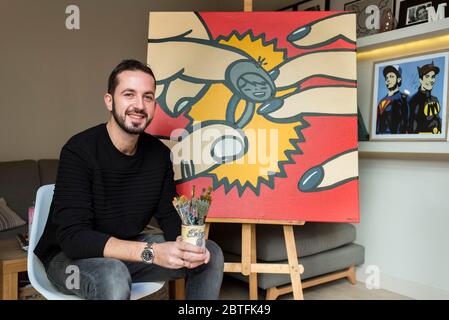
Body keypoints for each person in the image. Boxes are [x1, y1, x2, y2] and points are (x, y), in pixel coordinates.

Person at [34, 59, 224, 300]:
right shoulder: (78, 151)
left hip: (128, 250)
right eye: (129, 94)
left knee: (210, 253)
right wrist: (152, 252)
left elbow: (168, 214)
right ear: (109, 101)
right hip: (68, 259)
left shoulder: (159, 155)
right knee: (114, 273)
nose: (139, 105)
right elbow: (74, 239)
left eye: (148, 97)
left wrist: (185, 245)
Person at [408, 61, 442, 134]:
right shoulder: (414, 100)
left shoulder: (434, 99)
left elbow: (437, 120)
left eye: (433, 77)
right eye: (427, 76)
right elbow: (412, 126)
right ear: (421, 80)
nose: (431, 80)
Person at [376, 65, 409, 134]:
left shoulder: (404, 99)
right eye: (386, 77)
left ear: (398, 79)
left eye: (391, 76)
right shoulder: (381, 101)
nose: (388, 79)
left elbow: (407, 123)